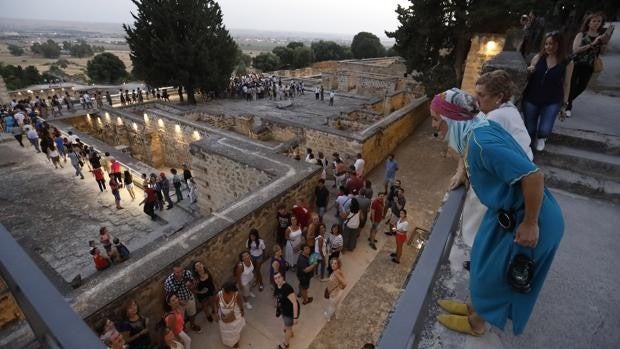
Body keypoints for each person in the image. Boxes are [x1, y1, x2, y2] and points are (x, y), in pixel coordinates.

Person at [430, 92, 564, 336]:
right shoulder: (477, 131)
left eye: (436, 119)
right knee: (483, 261)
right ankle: (473, 307)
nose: (434, 126)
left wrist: (530, 223)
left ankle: (477, 323)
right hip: (508, 214)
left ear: (452, 119)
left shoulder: (483, 144)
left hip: (530, 217)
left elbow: (533, 176)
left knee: (497, 274)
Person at [522, 31, 574, 152]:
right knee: (530, 128)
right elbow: (527, 74)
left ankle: (542, 137)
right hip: (531, 97)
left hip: (552, 99)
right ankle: (528, 152)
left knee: (544, 129)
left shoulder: (567, 62)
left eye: (552, 44)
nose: (548, 47)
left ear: (559, 45)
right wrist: (529, 70)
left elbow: (567, 83)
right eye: (546, 44)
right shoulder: (538, 57)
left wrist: (565, 103)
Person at [567, 12, 615, 117]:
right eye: (594, 21)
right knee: (571, 86)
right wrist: (592, 44)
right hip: (576, 63)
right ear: (588, 22)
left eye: (599, 21)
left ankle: (564, 101)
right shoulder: (581, 34)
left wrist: (604, 43)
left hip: (589, 65)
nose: (596, 23)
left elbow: (602, 52)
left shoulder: (600, 37)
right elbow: (575, 50)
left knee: (582, 86)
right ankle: (568, 106)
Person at [163, 265, 202, 334]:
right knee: (181, 319)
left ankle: (192, 325)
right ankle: (183, 329)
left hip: (189, 297)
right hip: (178, 304)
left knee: (192, 313)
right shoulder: (168, 282)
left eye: (181, 271)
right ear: (173, 272)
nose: (180, 274)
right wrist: (180, 301)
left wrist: (191, 285)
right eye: (178, 272)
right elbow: (169, 296)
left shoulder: (187, 273)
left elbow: (194, 284)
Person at [273, 272, 299, 349]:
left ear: (282, 277)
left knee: (287, 328)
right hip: (284, 310)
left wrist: (295, 317)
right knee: (287, 327)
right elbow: (278, 296)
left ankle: (285, 344)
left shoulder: (287, 288)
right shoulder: (277, 286)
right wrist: (277, 307)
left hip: (289, 312)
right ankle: (290, 333)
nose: (277, 280)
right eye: (275, 278)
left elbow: (295, 303)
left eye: (279, 277)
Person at [216, 281, 246, 348]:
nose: (223, 292)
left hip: (235, 316)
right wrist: (216, 313)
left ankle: (236, 343)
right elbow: (216, 304)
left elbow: (240, 303)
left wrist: (242, 310)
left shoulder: (236, 295)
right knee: (226, 331)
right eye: (223, 290)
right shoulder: (219, 295)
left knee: (234, 331)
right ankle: (228, 341)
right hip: (223, 316)